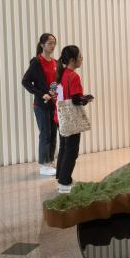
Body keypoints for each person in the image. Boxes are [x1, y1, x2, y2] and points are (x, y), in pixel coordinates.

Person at [54, 45, 93, 194]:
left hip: (60, 117)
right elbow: (76, 100)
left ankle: (61, 177)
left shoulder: (61, 73)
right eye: (80, 57)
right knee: (71, 151)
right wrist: (87, 99)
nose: (82, 59)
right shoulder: (73, 76)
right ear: (72, 60)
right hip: (71, 119)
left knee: (64, 148)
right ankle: (65, 183)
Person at [22, 33, 58, 176]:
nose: (52, 45)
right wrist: (41, 94)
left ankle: (50, 160)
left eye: (54, 43)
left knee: (53, 133)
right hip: (41, 105)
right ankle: (44, 164)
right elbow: (25, 81)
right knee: (45, 134)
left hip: (54, 104)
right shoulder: (37, 62)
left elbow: (55, 82)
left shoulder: (55, 62)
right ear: (42, 45)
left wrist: (56, 93)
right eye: (49, 43)